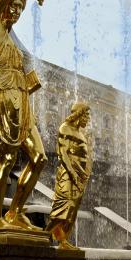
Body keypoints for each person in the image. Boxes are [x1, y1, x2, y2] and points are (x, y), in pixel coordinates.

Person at [0, 0, 47, 230]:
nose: (18, 12)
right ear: (4, 5)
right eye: (15, 6)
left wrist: (29, 82)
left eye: (21, 8)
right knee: (6, 160)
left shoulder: (11, 38)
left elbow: (17, 71)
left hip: (21, 98)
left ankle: (15, 213)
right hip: (3, 95)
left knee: (39, 157)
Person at [47, 103, 92, 250]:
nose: (88, 119)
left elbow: (86, 156)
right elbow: (63, 153)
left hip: (80, 175)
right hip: (67, 173)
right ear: (78, 114)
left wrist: (84, 174)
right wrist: (72, 172)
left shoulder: (82, 135)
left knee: (73, 209)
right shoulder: (65, 128)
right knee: (63, 207)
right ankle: (45, 236)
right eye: (85, 115)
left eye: (88, 116)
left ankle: (63, 240)